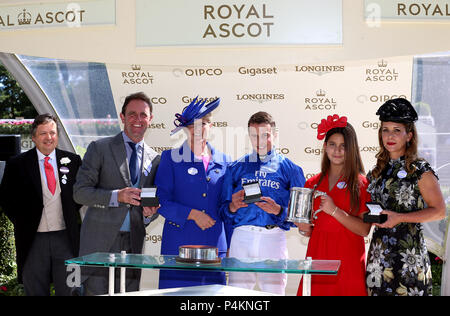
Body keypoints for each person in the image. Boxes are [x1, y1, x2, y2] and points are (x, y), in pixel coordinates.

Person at [73, 92, 161, 295]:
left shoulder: (155, 158)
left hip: (133, 243)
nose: (137, 120)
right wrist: (116, 196)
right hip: (99, 242)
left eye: (143, 115)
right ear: (122, 117)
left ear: (150, 119)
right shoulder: (99, 148)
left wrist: (150, 214)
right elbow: (80, 193)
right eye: (132, 114)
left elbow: (152, 203)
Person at [365, 98, 446, 296]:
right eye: (385, 129)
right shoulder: (376, 171)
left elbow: (439, 211)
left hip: (410, 260)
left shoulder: (420, 171)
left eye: (396, 130)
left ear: (409, 135)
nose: (390, 136)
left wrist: (399, 217)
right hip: (379, 259)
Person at [220, 111, 305, 295]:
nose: (259, 141)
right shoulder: (235, 168)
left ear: (274, 135)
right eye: (254, 136)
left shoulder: (290, 169)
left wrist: (279, 210)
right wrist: (232, 206)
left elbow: (301, 217)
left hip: (273, 238)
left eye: (265, 135)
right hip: (242, 237)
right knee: (237, 296)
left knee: (275, 293)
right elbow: (222, 212)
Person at [0, 114, 82, 296]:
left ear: (57, 136)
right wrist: (24, 222)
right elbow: (6, 199)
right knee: (35, 291)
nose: (48, 137)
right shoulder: (17, 164)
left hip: (66, 240)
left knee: (71, 289)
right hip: (33, 241)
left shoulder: (73, 161)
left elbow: (79, 196)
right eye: (43, 133)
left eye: (52, 132)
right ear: (34, 137)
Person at [155, 97, 231, 289]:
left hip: (214, 247)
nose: (198, 129)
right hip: (179, 245)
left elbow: (229, 208)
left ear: (211, 126)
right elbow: (161, 202)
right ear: (185, 128)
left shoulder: (226, 161)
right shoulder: (169, 158)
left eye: (203, 124)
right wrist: (193, 214)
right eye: (192, 125)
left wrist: (231, 245)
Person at [296, 114, 371, 296]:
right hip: (317, 258)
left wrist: (334, 211)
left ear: (351, 149)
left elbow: (364, 230)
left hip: (348, 262)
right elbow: (312, 227)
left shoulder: (361, 184)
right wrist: (304, 228)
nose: (337, 150)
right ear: (324, 147)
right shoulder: (312, 183)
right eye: (332, 144)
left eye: (343, 146)